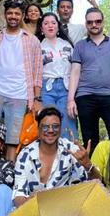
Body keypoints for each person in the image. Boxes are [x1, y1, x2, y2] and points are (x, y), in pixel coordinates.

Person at [0, 0, 43, 162]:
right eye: (10, 13)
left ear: (23, 16)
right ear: (5, 15)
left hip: (19, 94)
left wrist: (37, 99)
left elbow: (37, 73)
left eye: (17, 14)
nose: (13, 16)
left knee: (13, 140)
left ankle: (8, 177)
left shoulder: (32, 41)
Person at [67, 7, 110, 155]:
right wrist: (71, 99)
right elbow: (75, 72)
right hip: (85, 96)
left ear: (102, 22)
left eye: (97, 21)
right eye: (90, 22)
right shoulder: (80, 46)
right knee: (90, 139)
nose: (94, 25)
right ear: (86, 24)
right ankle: (93, 175)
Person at [12, 105, 99, 208]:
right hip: (33, 209)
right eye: (45, 127)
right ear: (38, 129)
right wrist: (29, 204)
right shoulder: (25, 155)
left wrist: (88, 166)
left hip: (63, 208)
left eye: (55, 126)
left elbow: (95, 184)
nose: (50, 130)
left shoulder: (71, 149)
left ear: (61, 128)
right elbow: (18, 195)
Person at [35, 12, 77, 141]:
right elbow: (35, 72)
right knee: (47, 122)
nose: (50, 26)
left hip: (66, 87)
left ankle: (71, 155)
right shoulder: (38, 46)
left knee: (68, 121)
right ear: (41, 28)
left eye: (53, 23)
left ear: (58, 27)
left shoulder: (67, 45)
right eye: (46, 23)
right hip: (46, 88)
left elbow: (75, 68)